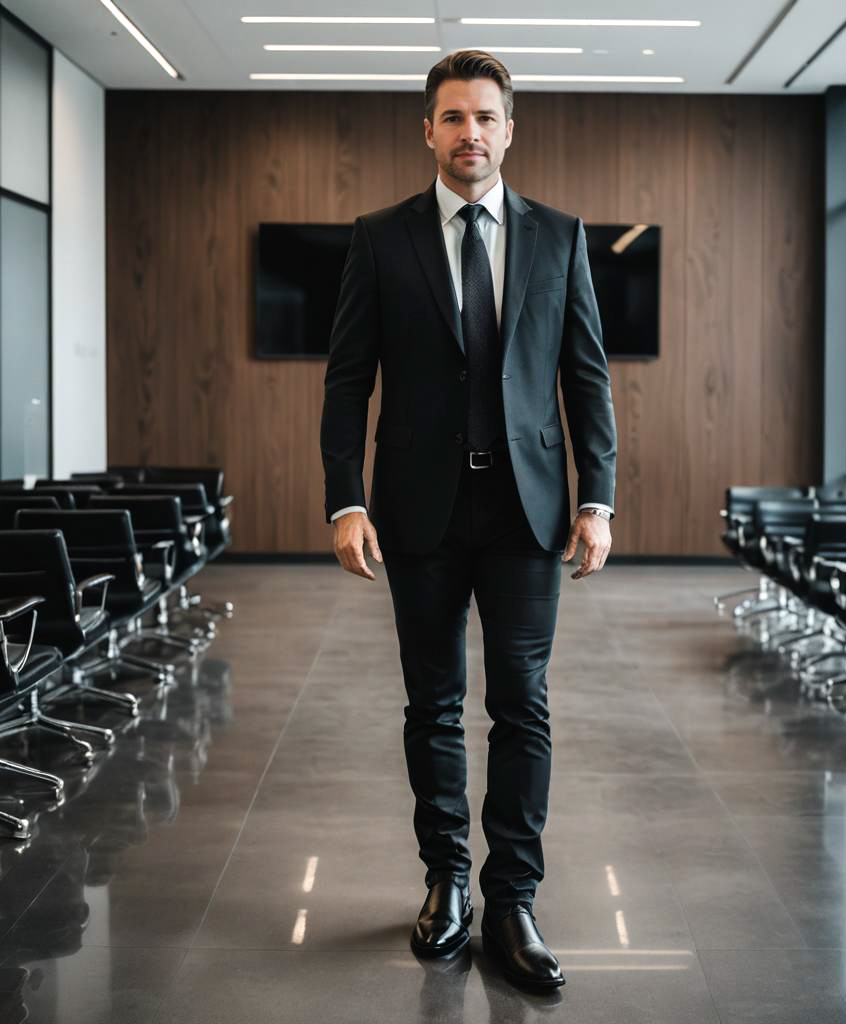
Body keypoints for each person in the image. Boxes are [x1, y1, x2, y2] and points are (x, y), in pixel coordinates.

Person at [320, 49, 617, 991]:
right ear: (428, 130)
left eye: (486, 117)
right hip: (418, 513)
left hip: (528, 513)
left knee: (522, 707)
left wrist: (598, 497)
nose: (470, 134)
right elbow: (347, 379)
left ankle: (514, 897)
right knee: (434, 704)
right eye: (453, 118)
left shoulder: (560, 236)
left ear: (509, 128)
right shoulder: (380, 237)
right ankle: (447, 882)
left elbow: (586, 377)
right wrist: (346, 497)